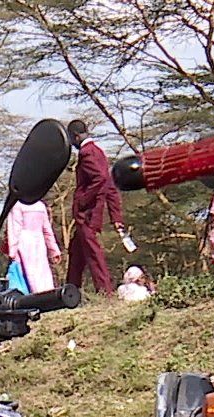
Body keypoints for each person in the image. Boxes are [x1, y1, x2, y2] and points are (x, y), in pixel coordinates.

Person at [66, 120, 127, 295]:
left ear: (76, 136)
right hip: (90, 213)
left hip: (87, 214)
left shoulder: (87, 153)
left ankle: (106, 293)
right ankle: (70, 292)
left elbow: (100, 179)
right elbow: (110, 185)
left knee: (93, 254)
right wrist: (116, 217)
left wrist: (82, 201)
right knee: (76, 252)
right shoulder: (98, 151)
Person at [4, 198, 61, 294]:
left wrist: (12, 251)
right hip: (39, 243)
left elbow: (15, 230)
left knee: (24, 273)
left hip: (22, 243)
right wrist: (54, 250)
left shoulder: (17, 205)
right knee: (41, 274)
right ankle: (45, 296)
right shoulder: (40, 205)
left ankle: (27, 298)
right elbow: (47, 230)